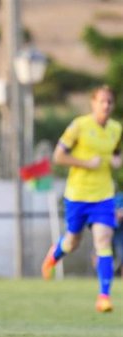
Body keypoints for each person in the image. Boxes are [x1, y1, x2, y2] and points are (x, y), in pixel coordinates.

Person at [41, 85, 122, 313]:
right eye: (102, 101)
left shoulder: (116, 129)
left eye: (110, 102)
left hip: (104, 195)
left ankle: (104, 297)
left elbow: (116, 153)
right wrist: (86, 163)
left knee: (103, 241)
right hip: (77, 195)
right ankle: (54, 254)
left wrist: (117, 161)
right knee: (73, 242)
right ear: (93, 103)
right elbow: (58, 156)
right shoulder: (79, 125)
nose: (106, 105)